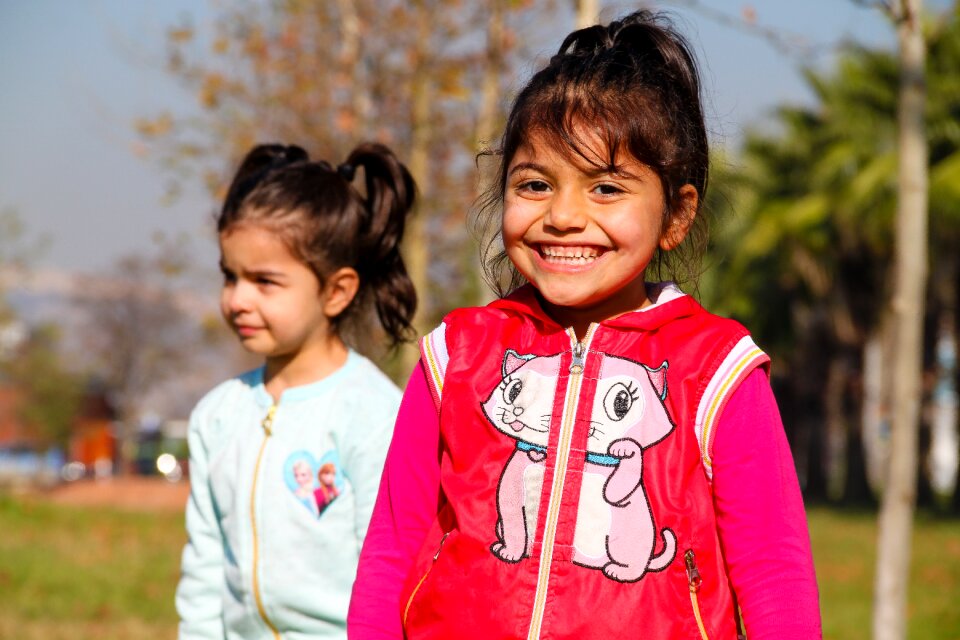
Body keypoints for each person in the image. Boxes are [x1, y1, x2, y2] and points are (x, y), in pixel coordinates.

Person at [348, 10, 821, 640]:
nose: (563, 216)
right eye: (536, 183)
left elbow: (773, 571)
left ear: (676, 216)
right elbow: (392, 548)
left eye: (605, 188)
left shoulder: (718, 370)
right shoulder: (455, 356)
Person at [176, 141, 418, 639]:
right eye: (230, 276)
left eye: (265, 282)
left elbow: (389, 574)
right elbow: (203, 566)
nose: (238, 299)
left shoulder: (374, 415)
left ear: (336, 292)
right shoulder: (216, 415)